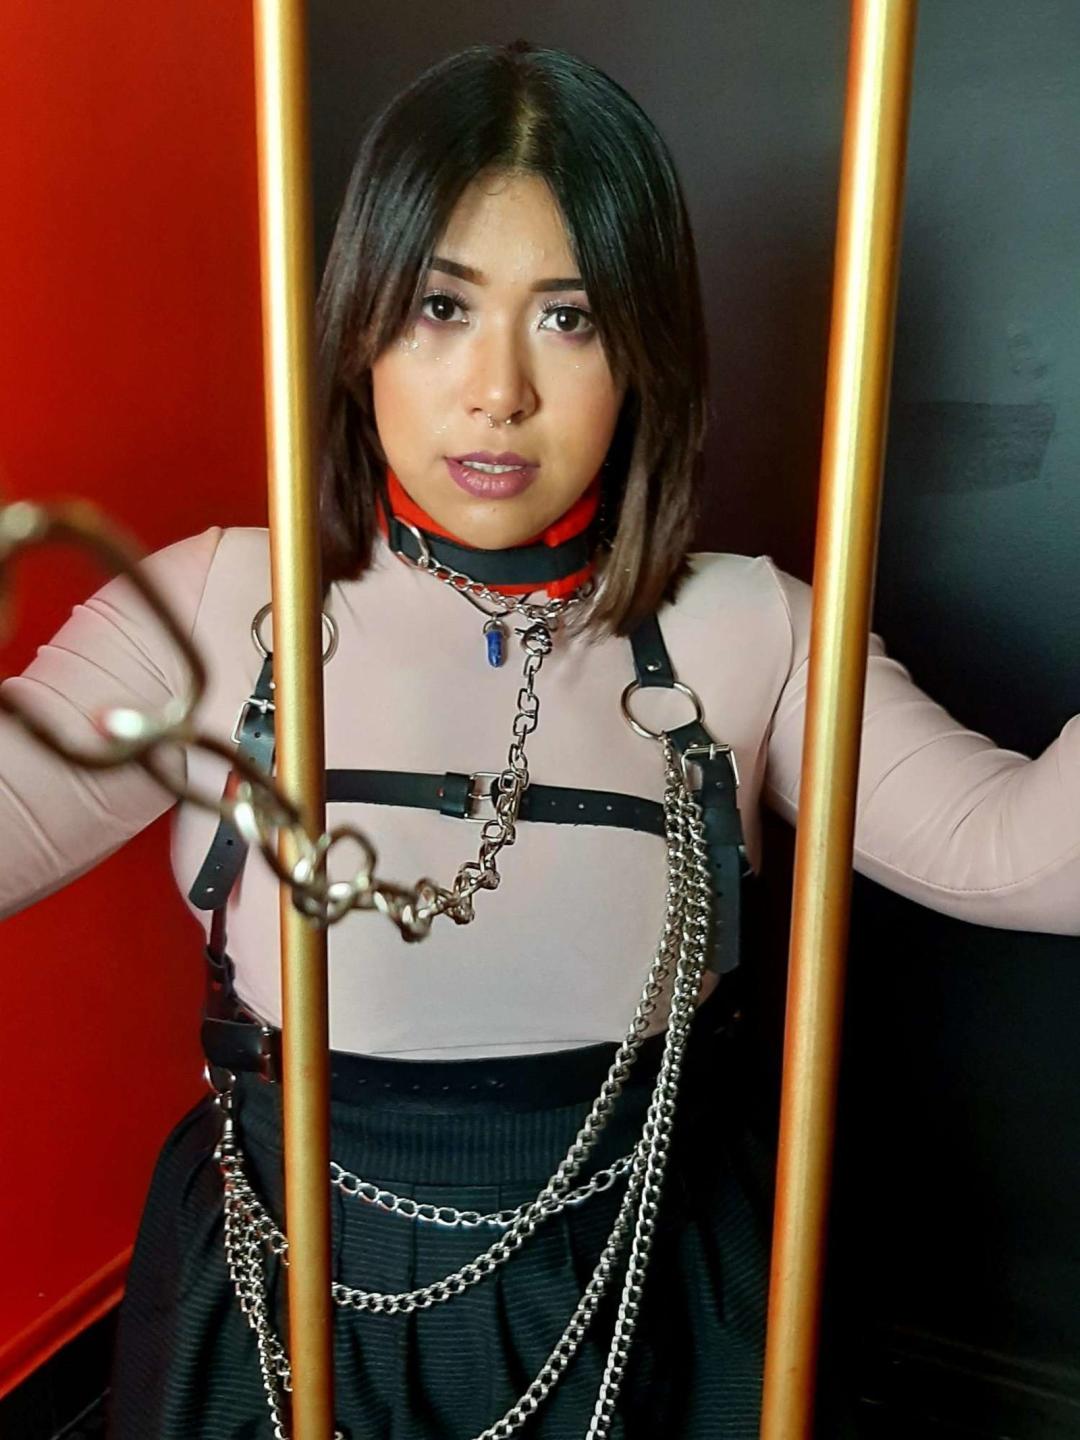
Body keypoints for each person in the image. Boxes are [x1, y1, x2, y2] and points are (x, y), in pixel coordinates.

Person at [1, 38, 1078, 1440]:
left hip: (644, 1297)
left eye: (569, 318)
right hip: (277, 1300)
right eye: (441, 305)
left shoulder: (747, 626)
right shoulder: (214, 604)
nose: (497, 389)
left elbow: (1019, 856)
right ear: (361, 323)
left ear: (644, 352)